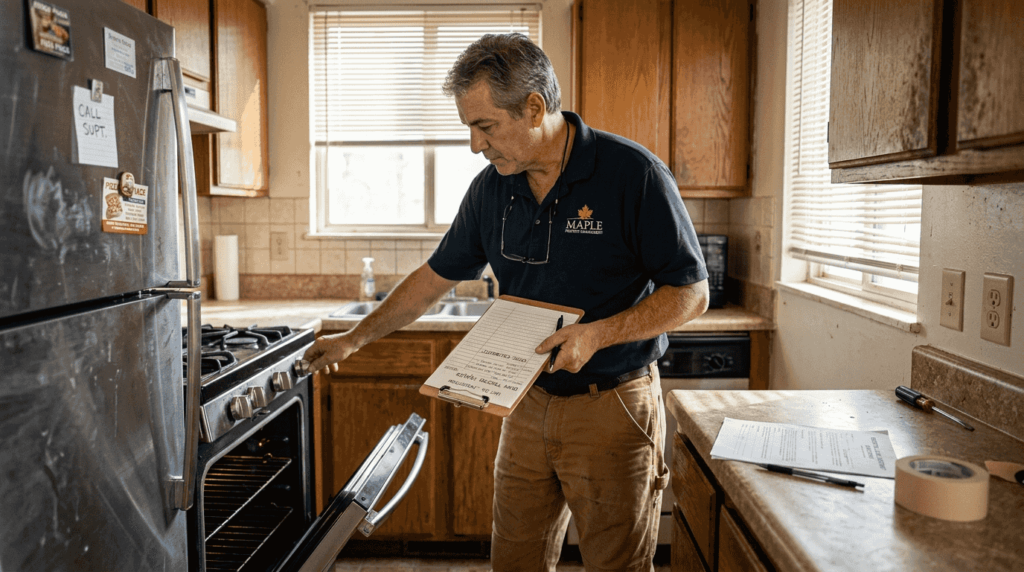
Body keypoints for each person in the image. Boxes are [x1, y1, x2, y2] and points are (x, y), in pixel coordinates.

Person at [304, 33, 709, 572]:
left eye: (485, 126)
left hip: (611, 405)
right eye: (469, 128)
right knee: (514, 561)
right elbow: (435, 277)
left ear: (534, 108)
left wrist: (597, 333)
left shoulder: (632, 174)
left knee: (619, 566)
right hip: (526, 403)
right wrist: (356, 336)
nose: (475, 144)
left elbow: (691, 292)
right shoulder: (493, 187)